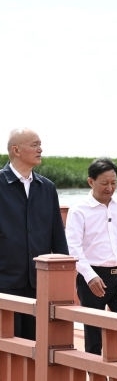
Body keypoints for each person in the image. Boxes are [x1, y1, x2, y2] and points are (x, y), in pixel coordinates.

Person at [0, 127, 69, 340]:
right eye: (35, 145)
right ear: (16, 150)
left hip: (39, 284)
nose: (40, 149)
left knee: (35, 346)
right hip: (4, 283)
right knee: (6, 346)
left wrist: (64, 277)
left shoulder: (47, 188)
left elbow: (58, 236)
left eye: (40, 144)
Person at [65, 158, 117, 356]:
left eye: (114, 183)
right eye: (104, 183)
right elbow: (73, 247)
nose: (110, 188)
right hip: (93, 277)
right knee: (93, 333)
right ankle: (95, 374)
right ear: (91, 181)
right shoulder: (79, 210)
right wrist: (90, 276)